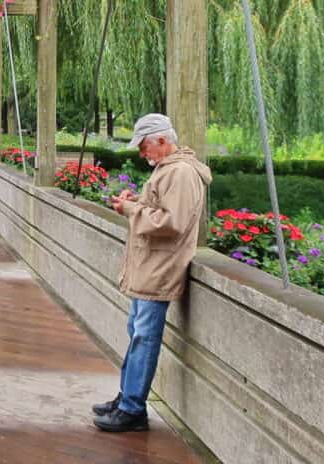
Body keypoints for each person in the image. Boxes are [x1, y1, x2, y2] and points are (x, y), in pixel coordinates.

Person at [92, 113, 212, 433]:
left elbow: (172, 222)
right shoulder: (168, 168)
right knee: (137, 333)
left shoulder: (181, 172)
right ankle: (126, 397)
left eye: (144, 146)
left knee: (144, 338)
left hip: (159, 269)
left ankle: (132, 409)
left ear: (161, 140)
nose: (141, 152)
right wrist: (136, 202)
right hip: (149, 267)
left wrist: (131, 209)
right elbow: (161, 209)